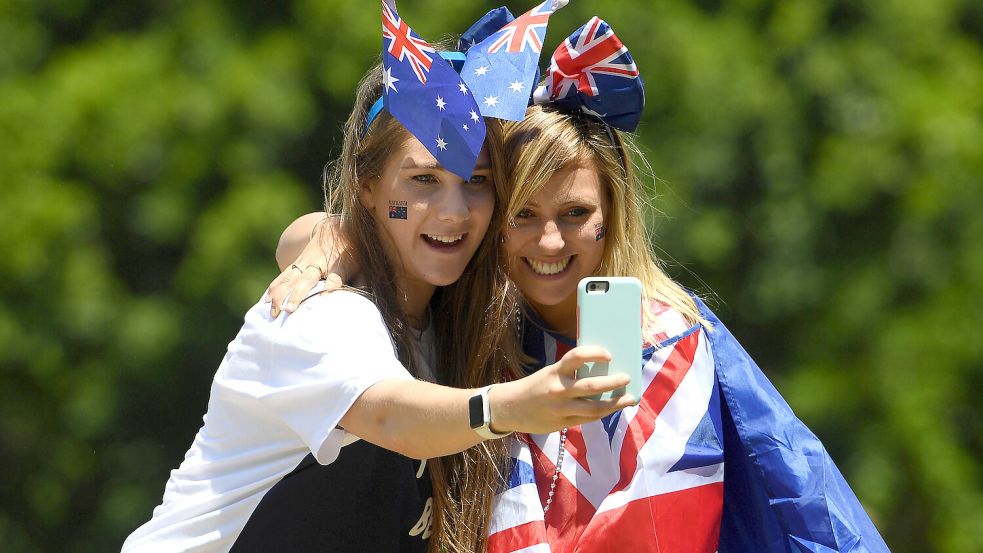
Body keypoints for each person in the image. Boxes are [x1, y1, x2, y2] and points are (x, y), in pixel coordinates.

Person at [270, 16, 890, 553]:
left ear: (612, 214)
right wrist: (330, 245)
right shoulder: (472, 315)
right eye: (524, 216)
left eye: (575, 216)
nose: (549, 244)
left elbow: (807, 499)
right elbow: (325, 233)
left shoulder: (677, 337)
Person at [121, 10, 636, 553]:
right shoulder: (326, 312)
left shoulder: (458, 326)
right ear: (367, 187)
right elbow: (389, 415)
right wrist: (510, 407)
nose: (453, 211)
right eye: (423, 181)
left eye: (477, 183)